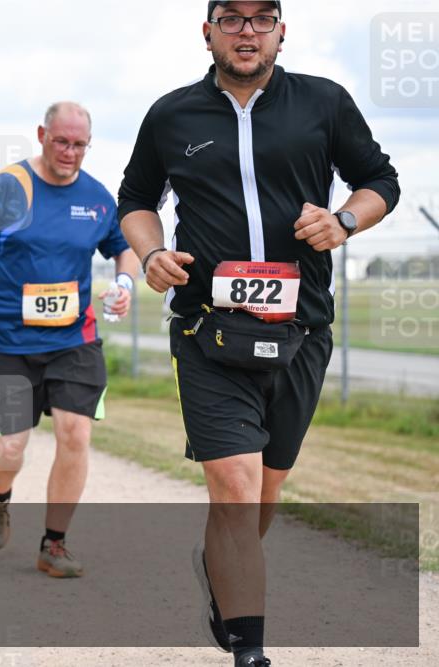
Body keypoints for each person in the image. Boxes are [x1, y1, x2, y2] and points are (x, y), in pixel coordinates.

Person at [117, 3, 400, 665]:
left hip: (300, 329)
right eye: (232, 17)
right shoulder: (171, 114)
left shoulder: (324, 103)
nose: (247, 30)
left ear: (281, 30)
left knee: (265, 490)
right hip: (207, 328)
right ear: (207, 30)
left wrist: (345, 222)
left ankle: (218, 560)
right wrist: (153, 252)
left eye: (261, 17)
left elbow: (379, 179)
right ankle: (251, 651)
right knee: (236, 487)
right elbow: (135, 199)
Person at [0, 101, 140, 579]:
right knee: (10, 448)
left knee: (76, 433)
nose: (70, 152)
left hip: (75, 340)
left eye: (79, 145)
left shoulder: (96, 198)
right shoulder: (9, 187)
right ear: (41, 135)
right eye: (61, 142)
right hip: (7, 342)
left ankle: (54, 544)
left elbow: (124, 250)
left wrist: (125, 284)